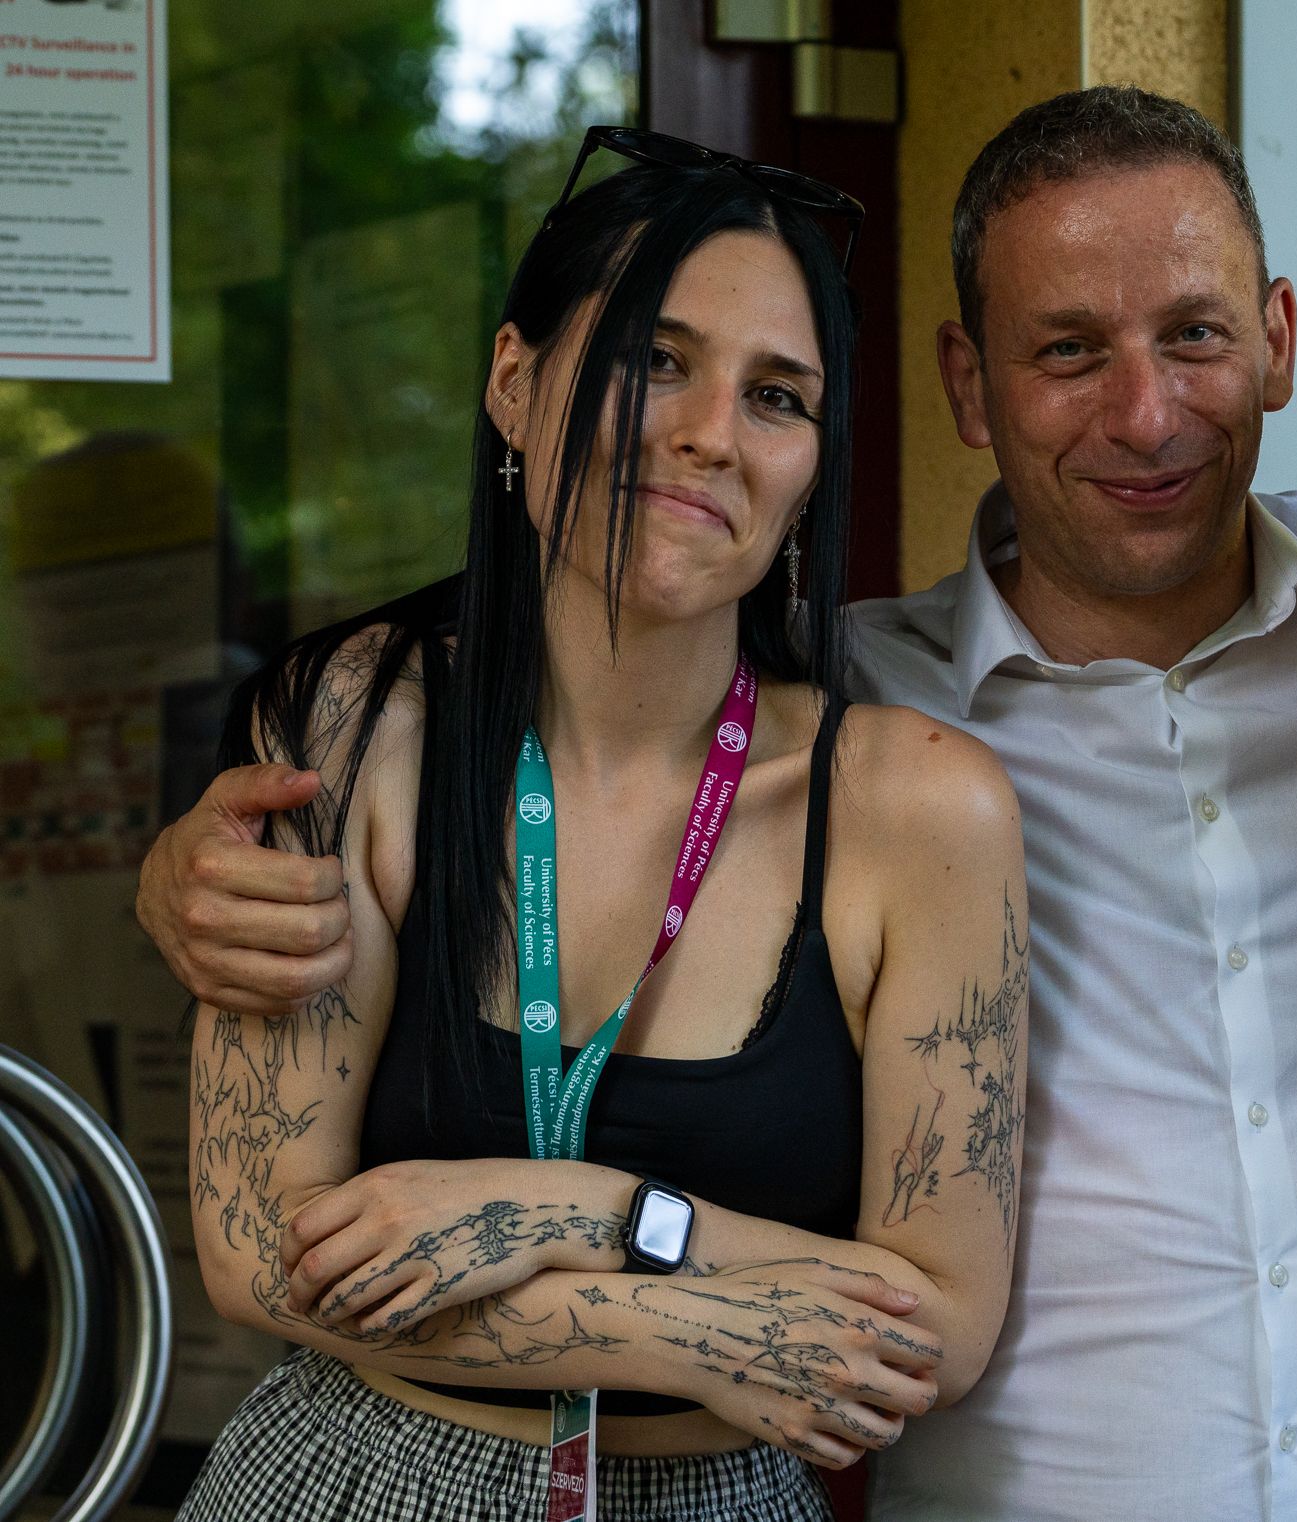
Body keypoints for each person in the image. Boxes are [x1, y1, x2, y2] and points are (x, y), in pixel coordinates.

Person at [143, 93, 1297, 1521]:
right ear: (964, 382)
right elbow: (574, 690)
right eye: (1064, 350)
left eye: (1194, 336)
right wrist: (186, 868)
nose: (1146, 412)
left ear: (1277, 339)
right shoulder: (866, 708)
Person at [177, 128, 1027, 1522]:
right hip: (348, 1476)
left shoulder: (920, 808)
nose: (711, 433)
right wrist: (686, 1328)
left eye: (777, 395)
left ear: (812, 468)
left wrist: (568, 1210)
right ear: (513, 387)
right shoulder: (354, 725)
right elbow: (258, 1245)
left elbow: (931, 1326)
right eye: (655, 357)